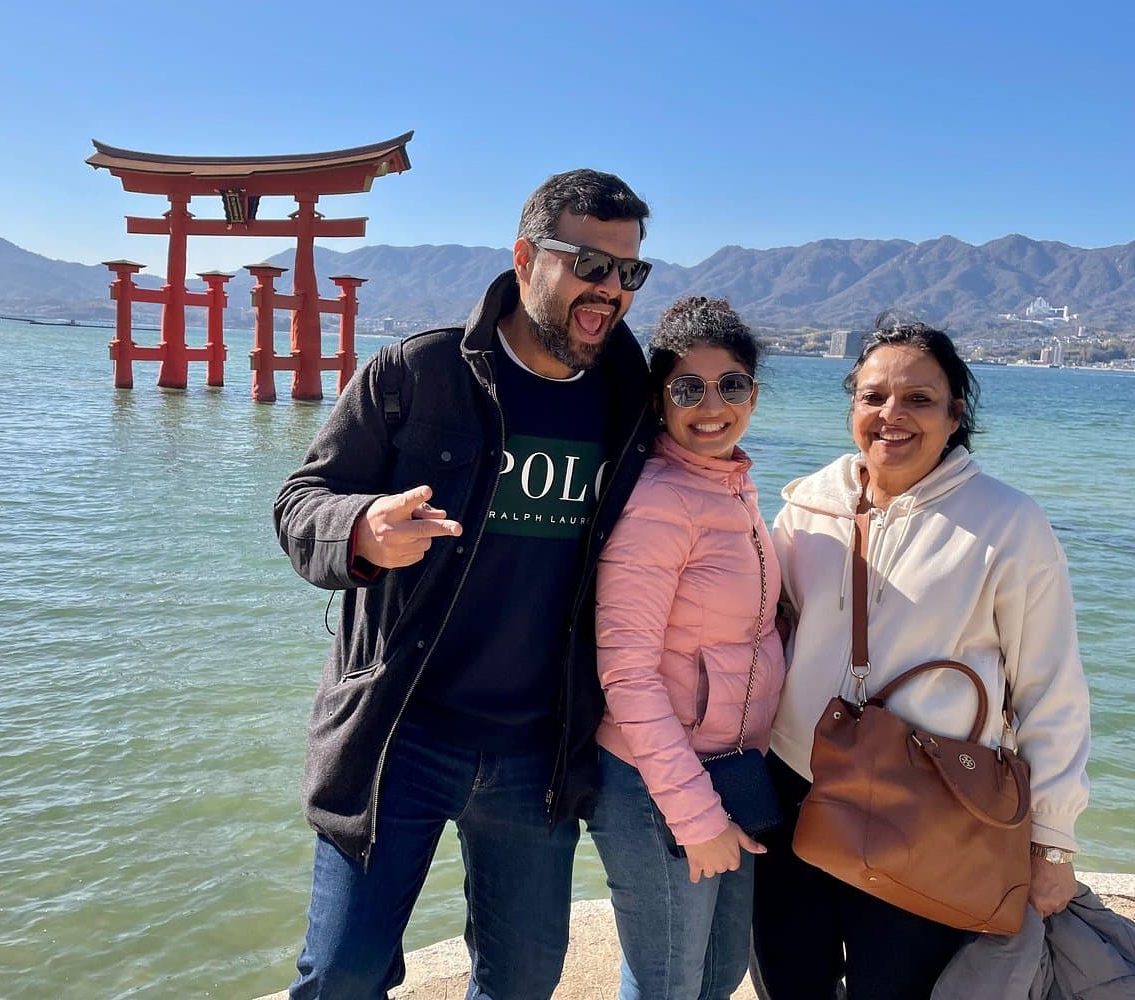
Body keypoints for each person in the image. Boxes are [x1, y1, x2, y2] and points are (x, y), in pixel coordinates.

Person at [274, 168, 658, 999]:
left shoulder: (634, 401)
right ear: (526, 257)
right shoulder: (422, 372)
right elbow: (301, 504)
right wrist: (363, 531)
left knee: (522, 981)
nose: (610, 290)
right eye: (589, 264)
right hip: (398, 728)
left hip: (538, 746)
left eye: (630, 272)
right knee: (341, 972)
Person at [751, 315, 1092, 1000]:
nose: (892, 415)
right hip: (795, 788)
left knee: (898, 987)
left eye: (919, 399)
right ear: (852, 403)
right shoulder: (806, 507)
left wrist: (1051, 842)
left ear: (955, 412)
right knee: (790, 980)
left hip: (930, 804)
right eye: (874, 396)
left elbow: (1050, 688)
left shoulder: (1008, 521)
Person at [590, 297, 787, 1000]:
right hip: (654, 784)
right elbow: (628, 672)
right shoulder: (660, 501)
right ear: (660, 398)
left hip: (730, 770)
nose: (713, 405)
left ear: (754, 394)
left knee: (721, 971)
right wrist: (697, 817)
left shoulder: (735, 486)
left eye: (731, 384)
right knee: (669, 981)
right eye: (688, 388)